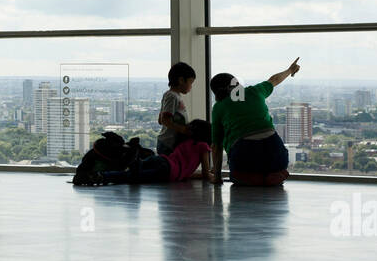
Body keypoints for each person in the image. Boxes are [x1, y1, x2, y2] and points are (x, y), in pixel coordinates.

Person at [209, 58, 301, 186]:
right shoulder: (255, 91)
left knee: (240, 176)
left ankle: (253, 178)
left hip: (244, 154)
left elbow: (216, 146)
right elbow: (274, 80)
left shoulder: (219, 107)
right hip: (274, 149)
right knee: (276, 168)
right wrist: (290, 70)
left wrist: (217, 177)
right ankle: (274, 175)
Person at [80, 121, 215, 186]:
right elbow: (205, 172)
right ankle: (101, 177)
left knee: (133, 172)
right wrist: (215, 177)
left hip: (161, 160)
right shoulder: (202, 146)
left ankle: (135, 159)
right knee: (132, 177)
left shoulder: (184, 142)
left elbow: (188, 170)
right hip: (166, 171)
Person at [157, 61, 197, 156]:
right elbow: (164, 120)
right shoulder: (172, 97)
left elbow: (160, 119)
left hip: (168, 143)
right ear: (181, 80)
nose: (191, 86)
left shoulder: (173, 96)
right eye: (190, 82)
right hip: (168, 143)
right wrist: (182, 129)